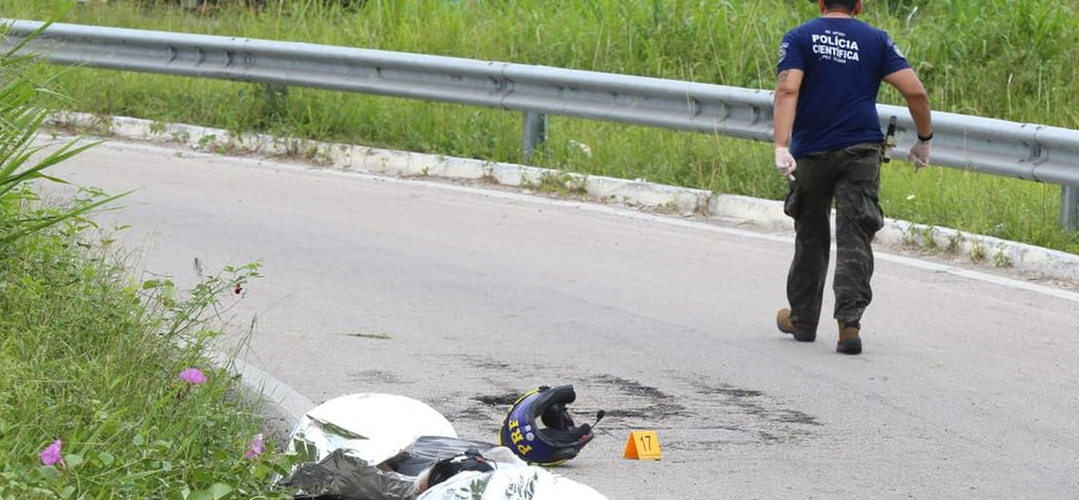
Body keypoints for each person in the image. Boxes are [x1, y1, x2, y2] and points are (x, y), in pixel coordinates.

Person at [773, 0, 933, 355]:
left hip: (811, 152)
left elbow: (787, 90)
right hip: (860, 152)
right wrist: (924, 140)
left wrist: (781, 145)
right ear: (859, 6)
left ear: (820, 3)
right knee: (855, 234)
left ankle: (802, 320)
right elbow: (916, 92)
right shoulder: (876, 40)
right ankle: (849, 326)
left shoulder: (800, 37)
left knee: (811, 233)